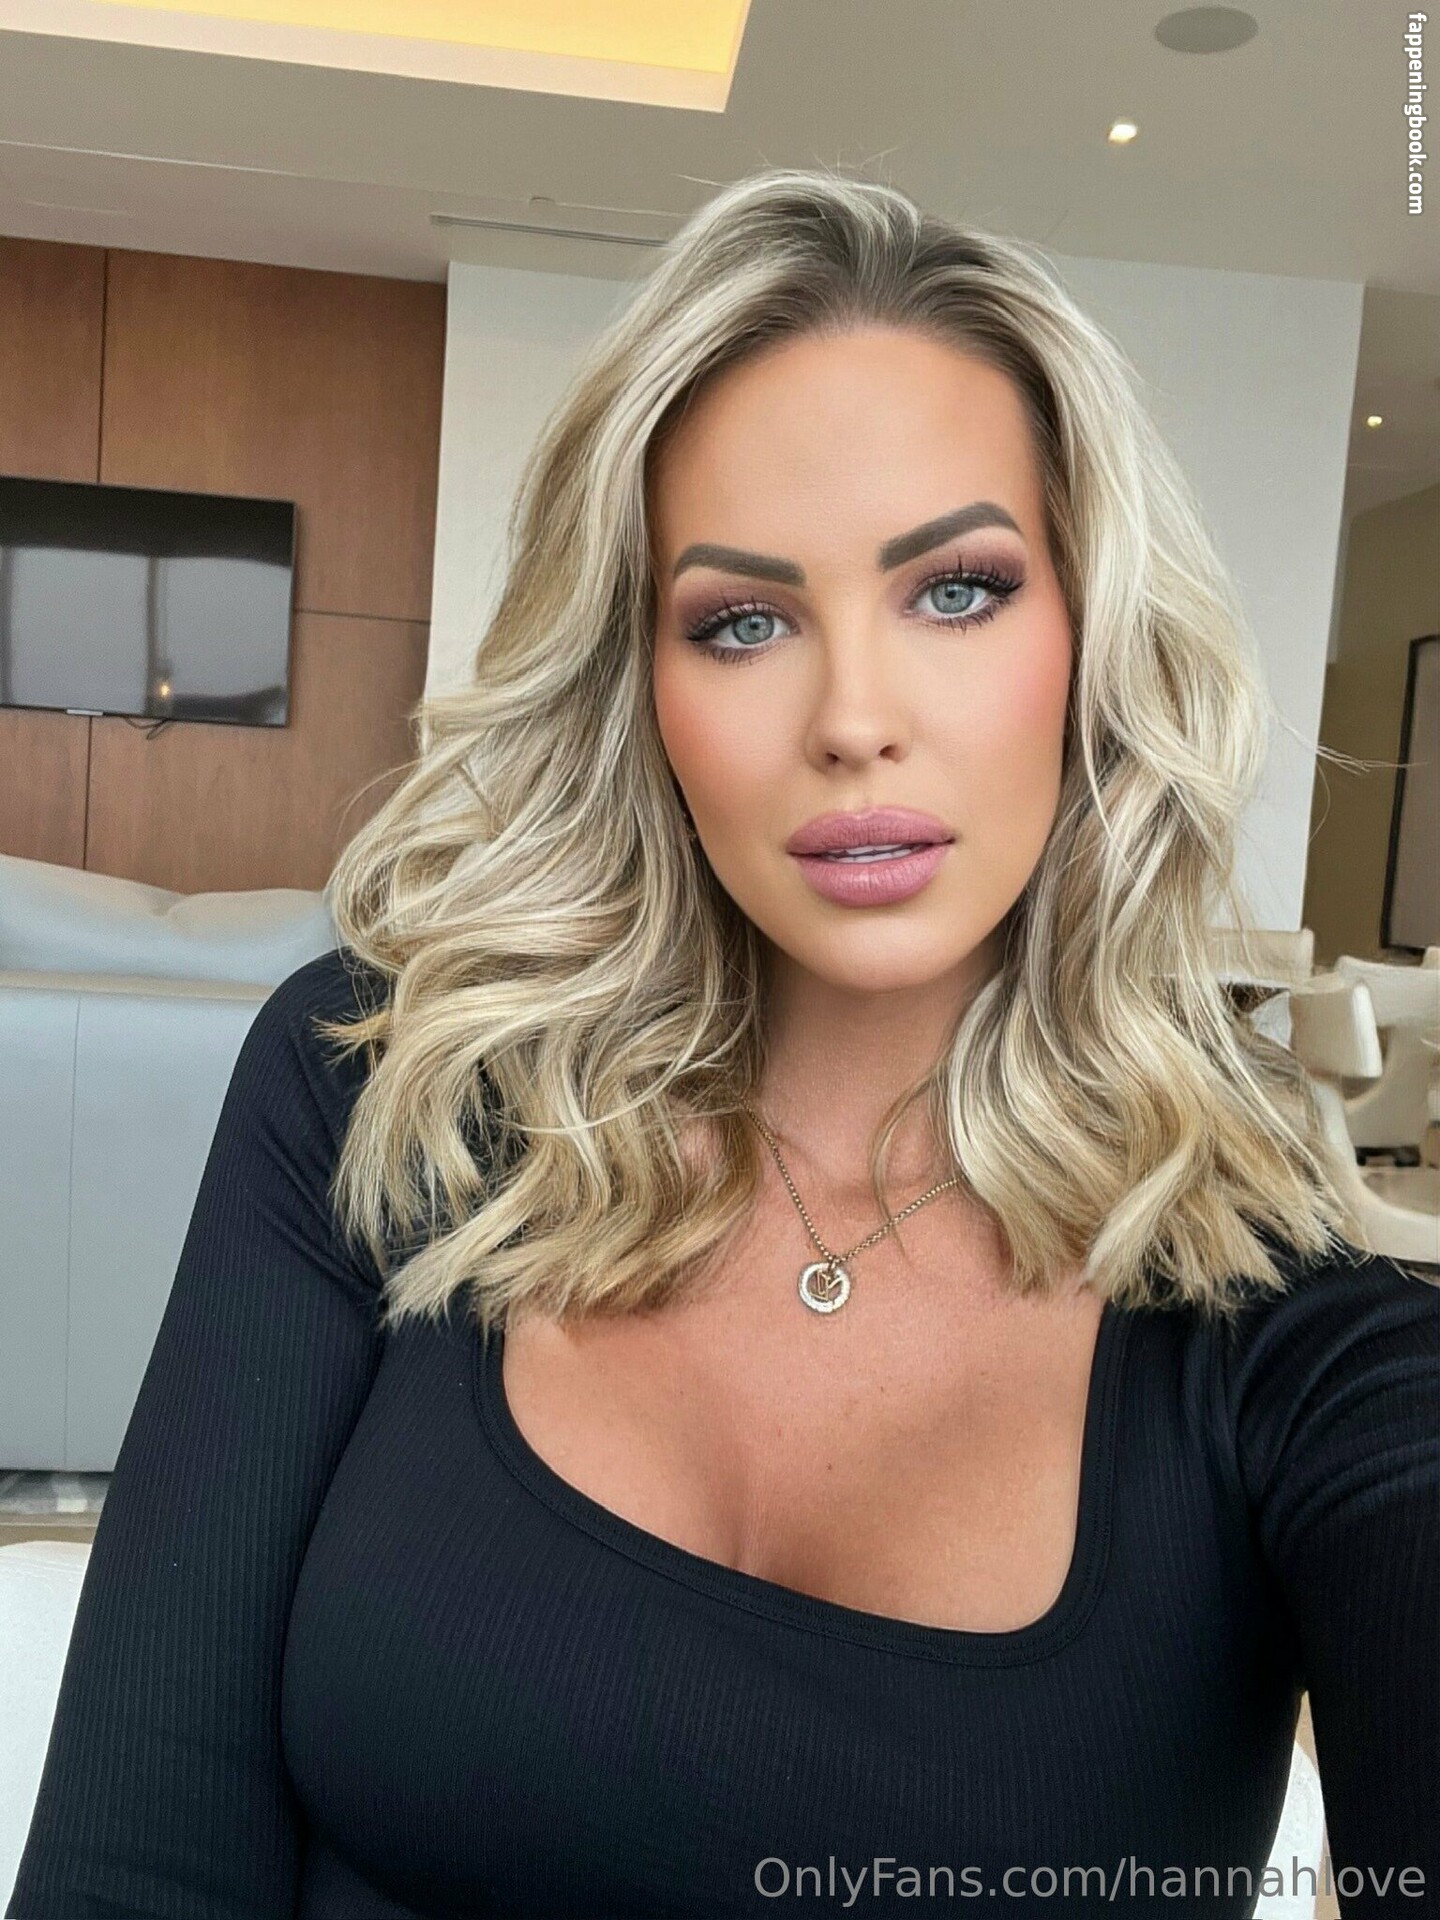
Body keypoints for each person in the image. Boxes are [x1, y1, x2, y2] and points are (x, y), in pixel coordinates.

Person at [10, 167, 1437, 1920]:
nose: (853, 719)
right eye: (742, 620)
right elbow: (133, 1868)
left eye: (959, 590)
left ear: (1094, 638)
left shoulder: (1286, 1338)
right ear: (642, 687)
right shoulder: (383, 1096)